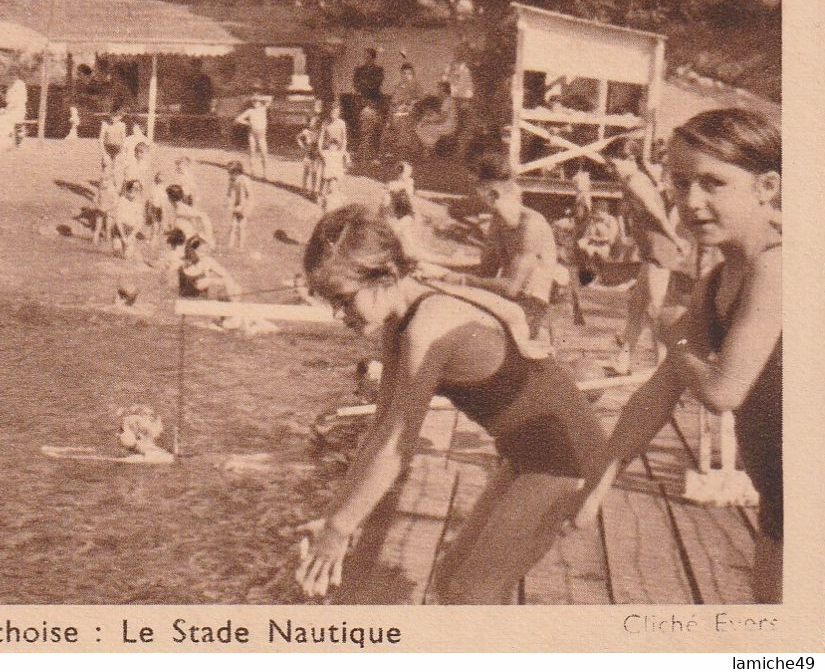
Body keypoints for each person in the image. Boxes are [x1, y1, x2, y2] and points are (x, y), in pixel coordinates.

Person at [295, 204, 607, 603]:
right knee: (451, 584)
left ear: (386, 274)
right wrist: (337, 518)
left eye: (343, 300)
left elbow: (398, 447)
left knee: (470, 593)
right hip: (531, 455)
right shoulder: (403, 320)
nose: (339, 315)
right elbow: (381, 430)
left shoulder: (426, 329)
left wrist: (341, 531)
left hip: (568, 458)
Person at [573, 108, 782, 601]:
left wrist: (669, 328)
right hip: (780, 494)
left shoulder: (778, 267)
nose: (692, 201)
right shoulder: (719, 278)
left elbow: (722, 392)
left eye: (714, 183)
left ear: (766, 187)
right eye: (681, 182)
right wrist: (599, 483)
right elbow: (661, 390)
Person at [608, 140, 692, 373]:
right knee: (636, 307)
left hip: (660, 252)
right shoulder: (633, 181)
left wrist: (675, 241)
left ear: (630, 161)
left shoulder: (636, 183)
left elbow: (658, 215)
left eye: (615, 164)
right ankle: (623, 362)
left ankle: (664, 366)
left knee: (656, 310)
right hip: (651, 252)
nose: (612, 169)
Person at [461, 161, 564, 346]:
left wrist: (460, 280)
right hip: (506, 301)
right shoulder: (497, 222)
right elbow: (485, 272)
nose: (468, 197)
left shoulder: (531, 224)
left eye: (474, 192)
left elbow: (511, 287)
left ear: (493, 195)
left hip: (529, 306)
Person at [177, 235, 240, 301]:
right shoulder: (181, 262)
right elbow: (197, 285)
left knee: (233, 286)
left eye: (205, 252)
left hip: (201, 302)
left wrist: (212, 281)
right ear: (192, 251)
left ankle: (232, 299)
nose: (203, 254)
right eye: (200, 251)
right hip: (185, 302)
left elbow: (226, 275)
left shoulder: (207, 260)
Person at [351, 47, 387, 155]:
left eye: (368, 57)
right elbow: (356, 84)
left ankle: (372, 148)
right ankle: (361, 146)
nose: (366, 59)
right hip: (361, 100)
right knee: (359, 120)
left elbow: (375, 85)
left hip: (375, 100)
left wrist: (363, 84)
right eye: (365, 56)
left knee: (374, 121)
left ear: (373, 58)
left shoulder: (379, 70)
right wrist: (361, 91)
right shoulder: (359, 70)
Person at [234, 95, 271, 180]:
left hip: (261, 135)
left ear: (260, 102)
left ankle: (265, 174)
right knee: (252, 152)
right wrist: (248, 123)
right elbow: (238, 119)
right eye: (253, 101)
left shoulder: (263, 109)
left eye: (257, 101)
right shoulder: (250, 111)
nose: (255, 103)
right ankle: (252, 172)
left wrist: (259, 98)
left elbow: (269, 99)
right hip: (252, 134)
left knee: (264, 153)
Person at [111, 179, 147, 259]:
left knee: (127, 257)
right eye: (132, 188)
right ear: (128, 189)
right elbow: (118, 220)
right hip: (119, 230)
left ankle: (132, 251)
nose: (133, 190)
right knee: (117, 253)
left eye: (137, 189)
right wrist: (123, 236)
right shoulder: (122, 201)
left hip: (131, 231)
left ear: (139, 191)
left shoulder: (140, 205)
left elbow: (139, 223)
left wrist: (131, 236)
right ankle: (118, 245)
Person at [225, 161, 252, 249]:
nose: (229, 175)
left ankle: (241, 246)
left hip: (245, 205)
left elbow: (250, 196)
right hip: (236, 205)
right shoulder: (231, 180)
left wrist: (243, 207)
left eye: (231, 173)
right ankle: (230, 245)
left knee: (241, 226)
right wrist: (230, 204)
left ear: (237, 172)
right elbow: (229, 194)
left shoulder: (244, 180)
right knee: (233, 225)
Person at [99, 112, 127, 177]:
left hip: (118, 149)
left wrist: (123, 153)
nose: (114, 118)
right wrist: (104, 154)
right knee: (106, 168)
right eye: (113, 115)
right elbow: (101, 139)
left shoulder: (122, 125)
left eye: (117, 116)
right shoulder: (105, 124)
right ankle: (105, 185)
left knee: (116, 171)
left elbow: (124, 140)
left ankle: (115, 185)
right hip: (107, 149)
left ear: (120, 117)